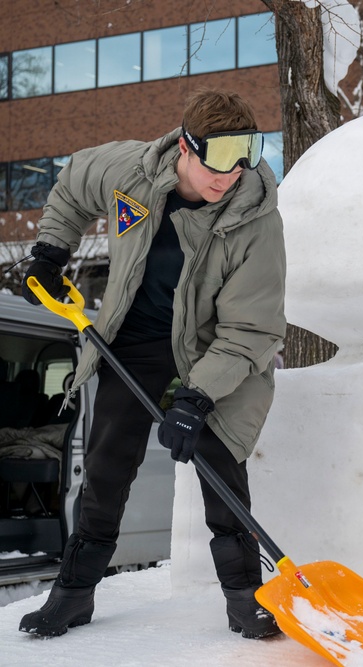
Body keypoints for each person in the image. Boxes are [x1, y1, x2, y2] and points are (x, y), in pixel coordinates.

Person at [18, 89, 286, 639]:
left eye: (245, 156)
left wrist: (196, 396)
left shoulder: (255, 219)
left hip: (215, 347)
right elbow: (71, 186)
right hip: (134, 337)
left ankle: (245, 597)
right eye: (218, 158)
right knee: (107, 463)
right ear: (185, 148)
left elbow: (250, 329)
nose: (230, 173)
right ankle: (73, 592)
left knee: (220, 458)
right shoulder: (130, 171)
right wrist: (49, 253)